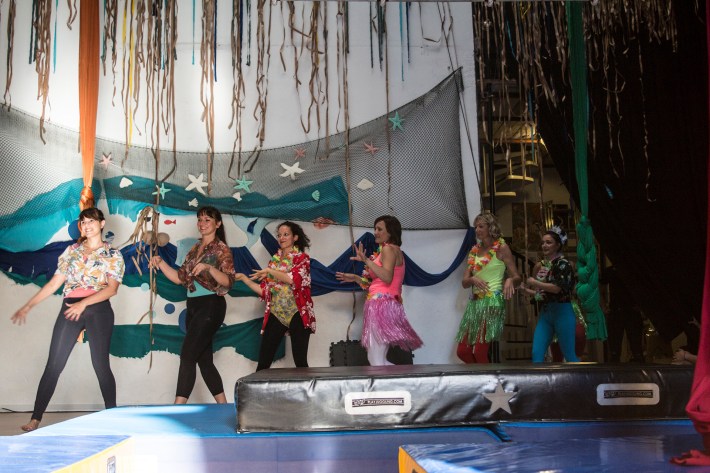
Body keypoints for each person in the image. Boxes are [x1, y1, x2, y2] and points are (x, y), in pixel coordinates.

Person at [11, 207, 125, 432]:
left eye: (91, 221)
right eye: (83, 222)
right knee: (54, 364)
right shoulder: (71, 251)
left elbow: (112, 289)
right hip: (70, 307)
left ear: (102, 224)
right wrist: (28, 305)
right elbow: (54, 283)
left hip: (98, 309)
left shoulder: (113, 254)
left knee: (101, 365)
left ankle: (113, 416)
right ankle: (35, 419)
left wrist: (84, 303)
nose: (87, 225)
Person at [149, 206, 235, 404]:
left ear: (218, 224)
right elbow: (180, 278)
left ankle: (177, 408)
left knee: (187, 356)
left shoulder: (222, 249)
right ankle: (224, 407)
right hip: (193, 306)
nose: (202, 224)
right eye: (200, 219)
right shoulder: (195, 248)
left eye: (207, 220)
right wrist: (160, 263)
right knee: (204, 361)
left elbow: (229, 282)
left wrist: (209, 268)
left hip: (211, 305)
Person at [336, 215, 423, 366]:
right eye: (375, 228)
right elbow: (378, 283)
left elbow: (387, 277)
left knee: (376, 360)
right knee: (376, 359)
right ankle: (400, 377)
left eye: (379, 229)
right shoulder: (389, 250)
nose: (375, 232)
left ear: (390, 232)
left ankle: (400, 379)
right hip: (383, 303)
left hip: (382, 305)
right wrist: (356, 278)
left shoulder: (388, 249)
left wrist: (366, 260)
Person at [236, 221, 316, 371]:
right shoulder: (274, 261)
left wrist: (269, 271)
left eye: (286, 234)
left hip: (298, 312)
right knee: (263, 363)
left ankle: (308, 387)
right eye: (279, 235)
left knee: (300, 362)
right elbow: (265, 292)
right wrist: (244, 279)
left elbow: (293, 280)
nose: (281, 238)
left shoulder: (302, 258)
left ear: (295, 237)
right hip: (277, 312)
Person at [455, 213, 521, 363]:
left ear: (491, 227)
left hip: (492, 302)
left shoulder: (501, 248)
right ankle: (481, 375)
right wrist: (472, 279)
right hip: (475, 304)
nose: (477, 230)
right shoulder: (474, 251)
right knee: (462, 351)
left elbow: (517, 277)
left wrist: (510, 279)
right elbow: (464, 283)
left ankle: (486, 377)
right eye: (476, 227)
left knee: (480, 352)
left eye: (481, 226)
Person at [521, 226, 580, 363]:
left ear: (558, 245)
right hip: (546, 313)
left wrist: (534, 282)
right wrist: (526, 291)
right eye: (543, 242)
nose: (544, 245)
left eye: (548, 242)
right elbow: (542, 294)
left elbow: (557, 289)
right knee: (536, 353)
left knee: (569, 355)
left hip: (562, 313)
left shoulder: (564, 264)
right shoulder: (545, 266)